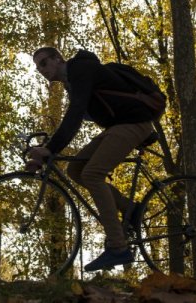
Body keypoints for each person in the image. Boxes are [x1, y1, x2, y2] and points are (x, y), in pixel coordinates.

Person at [27, 47, 161, 271]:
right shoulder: (73, 83)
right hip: (119, 126)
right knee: (76, 170)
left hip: (135, 123)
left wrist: (50, 148)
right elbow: (74, 116)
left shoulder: (80, 68)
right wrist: (46, 150)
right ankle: (131, 209)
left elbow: (76, 113)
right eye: (37, 67)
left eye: (43, 63)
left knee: (92, 174)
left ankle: (118, 247)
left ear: (58, 59)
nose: (40, 70)